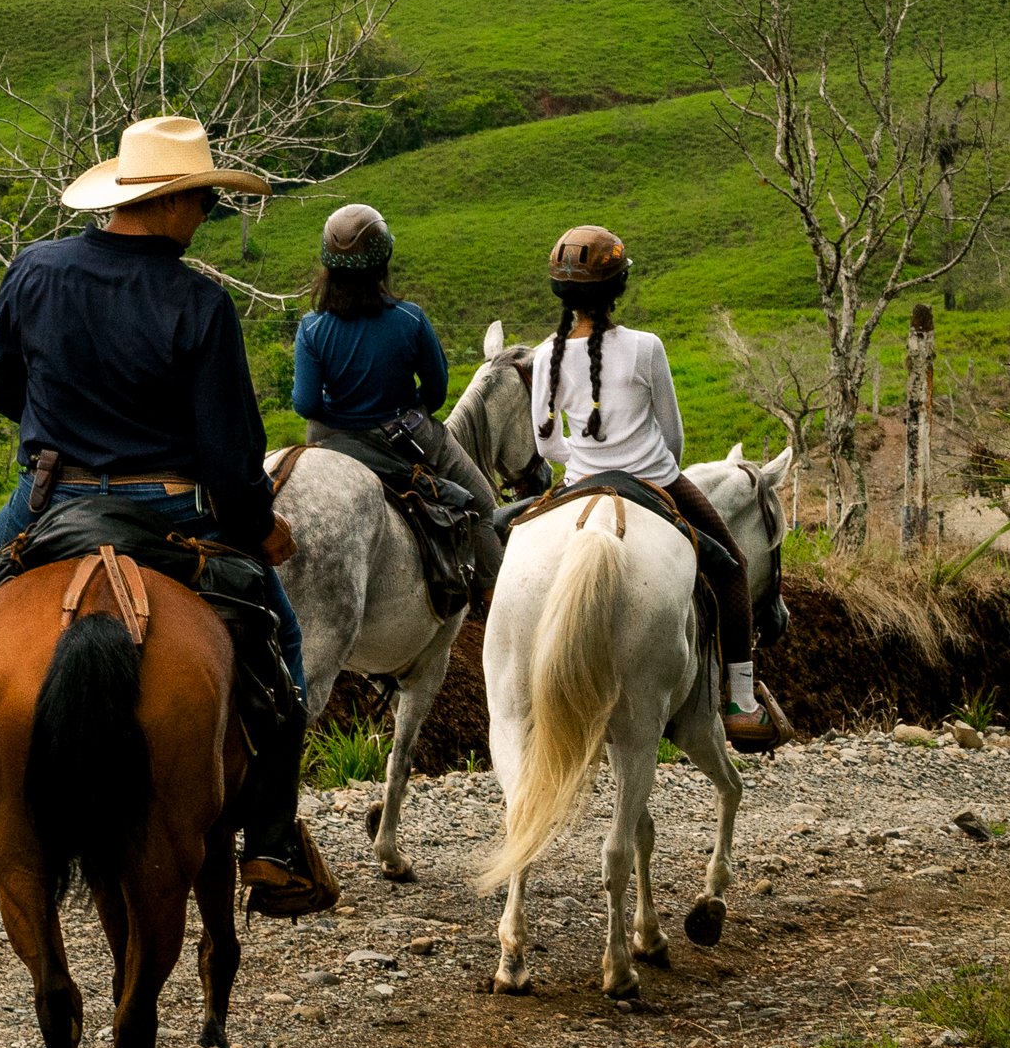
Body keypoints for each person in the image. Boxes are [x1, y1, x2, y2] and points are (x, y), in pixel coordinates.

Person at [0, 114, 329, 914]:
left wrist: (65, 433)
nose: (206, 216)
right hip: (172, 511)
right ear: (174, 202)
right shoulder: (200, 305)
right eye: (204, 201)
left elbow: (2, 388)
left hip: (49, 501)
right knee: (280, 648)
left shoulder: (33, 270)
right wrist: (258, 527)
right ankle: (272, 847)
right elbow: (228, 457)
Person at [531, 224, 781, 751]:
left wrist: (584, 460)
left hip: (579, 483)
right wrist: (652, 470)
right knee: (732, 567)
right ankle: (741, 702)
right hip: (655, 478)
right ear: (618, 288)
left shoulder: (545, 355)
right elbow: (673, 435)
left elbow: (546, 443)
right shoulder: (647, 348)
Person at [291, 201, 504, 604]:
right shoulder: (410, 319)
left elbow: (305, 403)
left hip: (335, 437)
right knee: (482, 501)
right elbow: (437, 391)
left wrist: (339, 412)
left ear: (328, 265)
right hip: (405, 435)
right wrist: (409, 409)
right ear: (383, 260)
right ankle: (490, 600)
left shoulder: (312, 328)